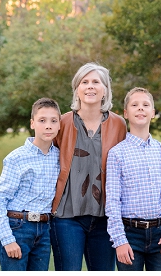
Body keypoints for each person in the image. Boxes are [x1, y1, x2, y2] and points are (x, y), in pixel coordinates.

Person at [50, 62, 127, 271]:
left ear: (105, 90)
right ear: (77, 89)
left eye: (96, 82)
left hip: (105, 219)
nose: (90, 86)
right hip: (66, 217)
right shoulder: (62, 123)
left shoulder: (119, 124)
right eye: (84, 82)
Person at [105, 87, 161, 271]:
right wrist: (119, 241)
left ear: (153, 112)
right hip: (130, 235)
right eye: (135, 105)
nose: (140, 108)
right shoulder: (117, 154)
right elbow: (112, 201)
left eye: (145, 105)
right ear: (126, 114)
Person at [0, 97, 62, 270]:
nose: (48, 126)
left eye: (53, 121)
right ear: (32, 124)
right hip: (18, 228)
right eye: (42, 120)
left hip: (44, 230)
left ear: (60, 124)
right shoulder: (17, 158)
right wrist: (7, 240)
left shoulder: (60, 157)